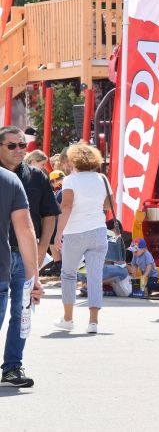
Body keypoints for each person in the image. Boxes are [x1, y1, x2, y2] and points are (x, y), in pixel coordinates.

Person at [0, 133, 46, 388]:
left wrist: (32, 277)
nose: (19, 150)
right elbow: (24, 228)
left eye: (22, 145)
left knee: (19, 314)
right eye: (12, 145)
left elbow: (34, 226)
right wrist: (34, 278)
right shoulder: (9, 181)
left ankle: (12, 367)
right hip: (4, 265)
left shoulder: (30, 177)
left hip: (10, 263)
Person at [53, 144, 111, 334]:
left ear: (73, 161)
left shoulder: (70, 181)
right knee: (95, 276)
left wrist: (58, 233)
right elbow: (108, 204)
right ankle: (93, 322)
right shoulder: (102, 179)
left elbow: (67, 207)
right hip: (98, 231)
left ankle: (68, 319)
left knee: (69, 274)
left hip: (74, 232)